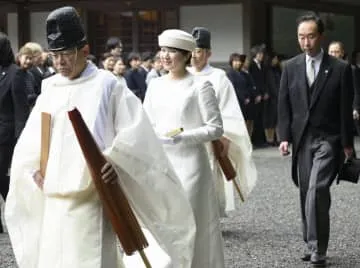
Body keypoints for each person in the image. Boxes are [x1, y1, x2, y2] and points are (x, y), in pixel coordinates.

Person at [5, 7, 196, 268]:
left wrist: (114, 161)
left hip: (92, 192)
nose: (60, 63)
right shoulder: (50, 87)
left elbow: (137, 134)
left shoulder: (108, 85)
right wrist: (32, 169)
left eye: (66, 54)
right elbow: (33, 138)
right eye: (54, 56)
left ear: (84, 50)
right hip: (53, 195)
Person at [143, 29, 225, 268]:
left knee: (190, 222)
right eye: (163, 50)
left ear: (187, 55)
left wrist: (183, 137)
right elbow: (145, 121)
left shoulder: (200, 85)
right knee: (164, 220)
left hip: (192, 166)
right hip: (162, 162)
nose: (166, 56)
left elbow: (216, 128)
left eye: (172, 51)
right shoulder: (155, 85)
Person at [278, 12, 354, 266]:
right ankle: (311, 243)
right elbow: (284, 106)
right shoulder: (291, 67)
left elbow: (345, 109)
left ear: (321, 36)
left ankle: (319, 250)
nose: (306, 42)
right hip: (302, 139)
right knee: (305, 192)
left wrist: (347, 145)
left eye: (311, 36)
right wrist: (284, 137)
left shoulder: (341, 69)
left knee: (317, 189)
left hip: (328, 139)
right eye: (301, 37)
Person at [188, 27, 257, 217]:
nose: (194, 55)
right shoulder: (183, 73)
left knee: (208, 178)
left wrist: (224, 136)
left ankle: (208, 218)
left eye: (199, 51)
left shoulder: (218, 77)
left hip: (210, 137)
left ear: (208, 53)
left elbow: (228, 109)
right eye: (191, 50)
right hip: (187, 136)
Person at [0, 32, 30, 233]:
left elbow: (21, 110)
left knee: (2, 177)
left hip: (7, 135)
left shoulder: (15, 73)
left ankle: (20, 213)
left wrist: (21, 138)